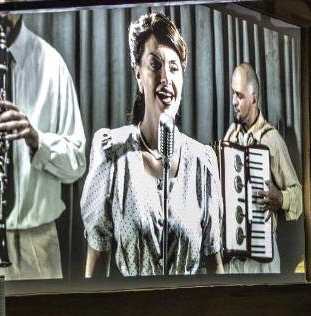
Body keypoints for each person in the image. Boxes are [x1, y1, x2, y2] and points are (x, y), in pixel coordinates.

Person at [82, 13, 224, 277]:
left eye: (174, 67)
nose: (166, 78)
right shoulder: (112, 153)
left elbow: (215, 267)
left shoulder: (202, 162)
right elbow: (96, 266)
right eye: (155, 65)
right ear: (138, 74)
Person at [0, 11, 86, 279]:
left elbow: (77, 164)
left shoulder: (52, 64)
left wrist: (38, 142)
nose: (1, 4)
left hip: (39, 244)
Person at [222, 62, 303, 274]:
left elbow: (299, 196)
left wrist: (282, 198)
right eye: (233, 94)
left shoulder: (272, 139)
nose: (234, 101)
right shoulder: (230, 137)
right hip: (234, 259)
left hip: (263, 260)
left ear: (254, 98)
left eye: (239, 96)